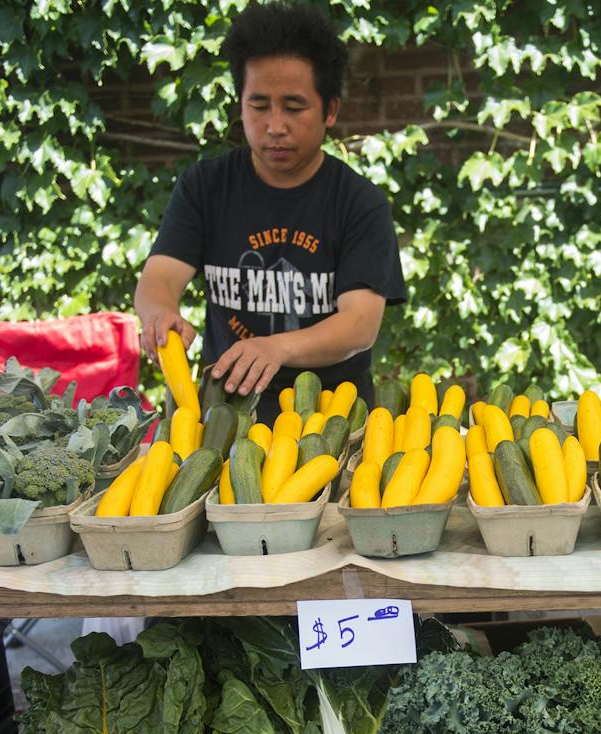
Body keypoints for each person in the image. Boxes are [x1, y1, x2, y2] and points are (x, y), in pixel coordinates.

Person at [134, 1, 405, 425]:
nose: (275, 126)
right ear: (240, 104)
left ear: (329, 110)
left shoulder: (359, 202)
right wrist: (159, 313)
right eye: (259, 106)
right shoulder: (204, 187)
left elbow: (359, 324)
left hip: (330, 424)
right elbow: (159, 279)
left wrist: (276, 347)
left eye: (294, 107)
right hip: (224, 422)